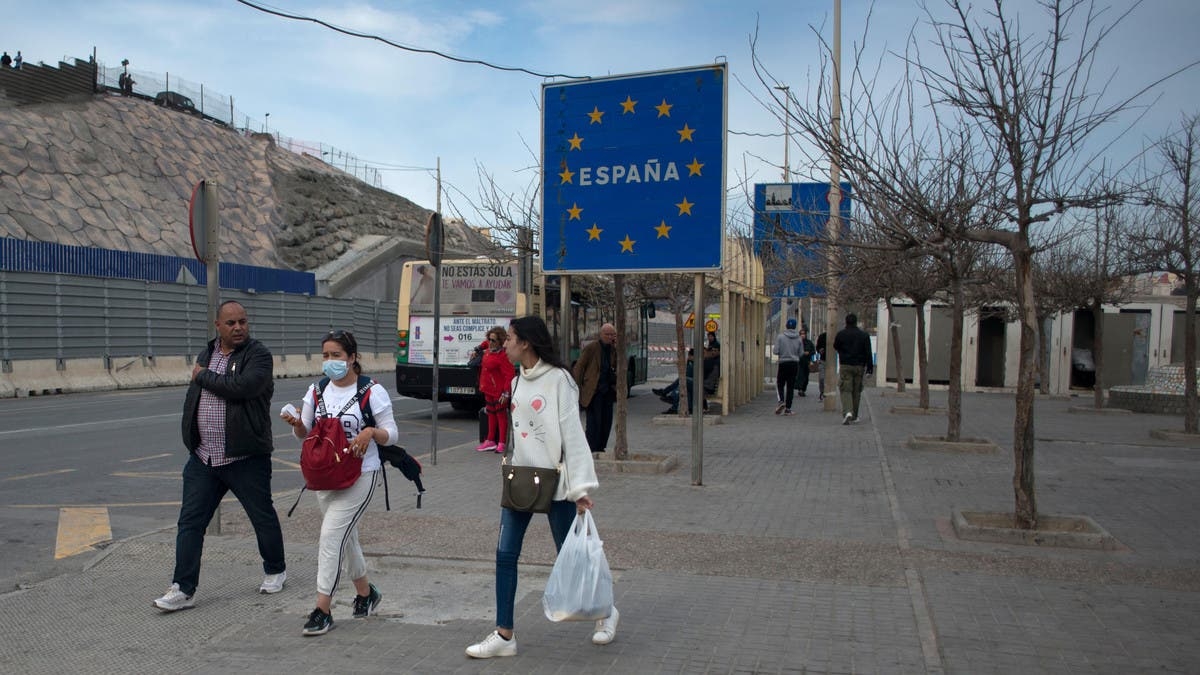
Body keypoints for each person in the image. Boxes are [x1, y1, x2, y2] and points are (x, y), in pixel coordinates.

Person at [466, 315, 617, 659]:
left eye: (510, 339)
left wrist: (579, 487)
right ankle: (504, 635)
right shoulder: (518, 381)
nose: (505, 344)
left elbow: (573, 434)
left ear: (526, 343)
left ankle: (607, 611)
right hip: (520, 478)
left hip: (556, 481)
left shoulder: (560, 380)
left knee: (570, 553)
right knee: (505, 554)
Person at [153, 300, 286, 612]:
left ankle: (275, 569)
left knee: (261, 516)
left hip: (245, 456)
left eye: (243, 321)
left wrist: (201, 376)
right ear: (218, 326)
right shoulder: (206, 354)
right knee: (189, 522)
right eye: (231, 323)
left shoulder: (259, 355)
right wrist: (191, 437)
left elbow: (243, 386)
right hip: (204, 458)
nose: (238, 327)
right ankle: (183, 589)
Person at [281, 329, 397, 636]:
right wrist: (296, 424)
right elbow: (305, 432)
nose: (330, 361)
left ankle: (322, 609)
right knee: (347, 538)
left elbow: (392, 433)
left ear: (352, 358)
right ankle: (365, 593)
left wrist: (370, 432)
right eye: (325, 356)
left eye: (337, 355)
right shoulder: (317, 390)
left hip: (361, 474)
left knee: (331, 537)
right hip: (325, 476)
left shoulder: (373, 391)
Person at [572, 323, 618, 454]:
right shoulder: (592, 348)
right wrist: (576, 388)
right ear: (601, 334)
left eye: (612, 334)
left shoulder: (614, 349)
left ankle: (600, 447)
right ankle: (590, 448)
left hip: (608, 391)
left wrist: (617, 347)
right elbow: (579, 367)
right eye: (607, 334)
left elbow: (619, 365)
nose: (610, 337)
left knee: (606, 421)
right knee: (594, 422)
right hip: (594, 391)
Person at [477, 326, 515, 453]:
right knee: (491, 415)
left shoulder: (503, 356)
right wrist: (480, 347)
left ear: (500, 341)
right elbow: (484, 343)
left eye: (493, 340)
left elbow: (509, 375)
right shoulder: (488, 350)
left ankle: (502, 442)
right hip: (488, 389)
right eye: (489, 339)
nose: (490, 342)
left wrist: (506, 392)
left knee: (501, 416)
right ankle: (490, 440)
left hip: (499, 391)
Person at [833, 313, 872, 424]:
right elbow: (868, 352)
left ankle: (848, 412)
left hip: (845, 365)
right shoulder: (864, 335)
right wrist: (869, 368)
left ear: (846, 322)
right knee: (856, 391)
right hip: (859, 366)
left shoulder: (841, 334)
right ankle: (855, 415)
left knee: (846, 389)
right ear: (856, 322)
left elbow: (835, 346)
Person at [661, 348, 706, 415]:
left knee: (682, 380)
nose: (689, 357)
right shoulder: (693, 363)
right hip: (696, 383)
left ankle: (670, 395)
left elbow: (689, 374)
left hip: (700, 385)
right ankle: (680, 407)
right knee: (685, 388)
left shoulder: (700, 363)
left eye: (690, 356)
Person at [773, 318, 803, 415]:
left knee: (780, 383)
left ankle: (781, 401)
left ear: (786, 326)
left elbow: (775, 351)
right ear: (795, 327)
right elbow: (801, 353)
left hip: (783, 363)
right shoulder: (799, 338)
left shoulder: (780, 337)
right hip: (794, 364)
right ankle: (788, 409)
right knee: (790, 386)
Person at [793, 328, 816, 397]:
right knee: (800, 376)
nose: (802, 335)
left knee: (806, 377)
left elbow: (813, 351)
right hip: (799, 362)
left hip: (806, 362)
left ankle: (803, 389)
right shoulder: (797, 342)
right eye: (801, 334)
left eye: (804, 334)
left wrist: (808, 354)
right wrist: (802, 353)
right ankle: (800, 390)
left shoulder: (809, 342)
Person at [815, 331, 828, 401]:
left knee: (828, 379)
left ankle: (827, 393)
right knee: (821, 378)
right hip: (823, 360)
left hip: (832, 362)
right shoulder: (822, 336)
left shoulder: (835, 336)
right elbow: (817, 347)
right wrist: (819, 350)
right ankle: (822, 392)